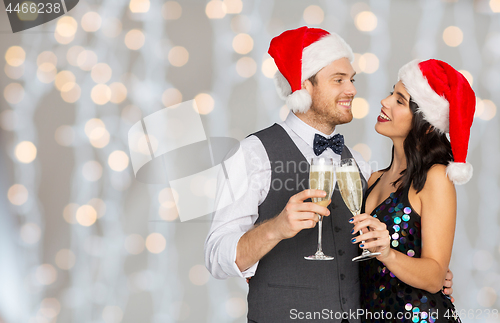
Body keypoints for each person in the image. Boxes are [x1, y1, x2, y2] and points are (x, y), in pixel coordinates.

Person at [205, 27, 454, 323]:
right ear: (304, 86)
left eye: (351, 80)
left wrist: (430, 273)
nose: (351, 90)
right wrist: (276, 229)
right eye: (338, 80)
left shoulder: (361, 166)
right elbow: (216, 257)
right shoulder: (253, 154)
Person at [350, 59, 474, 322]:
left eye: (399, 100)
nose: (384, 102)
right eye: (390, 93)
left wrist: (386, 253)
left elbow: (434, 277)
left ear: (426, 124)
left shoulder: (436, 177)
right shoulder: (373, 178)